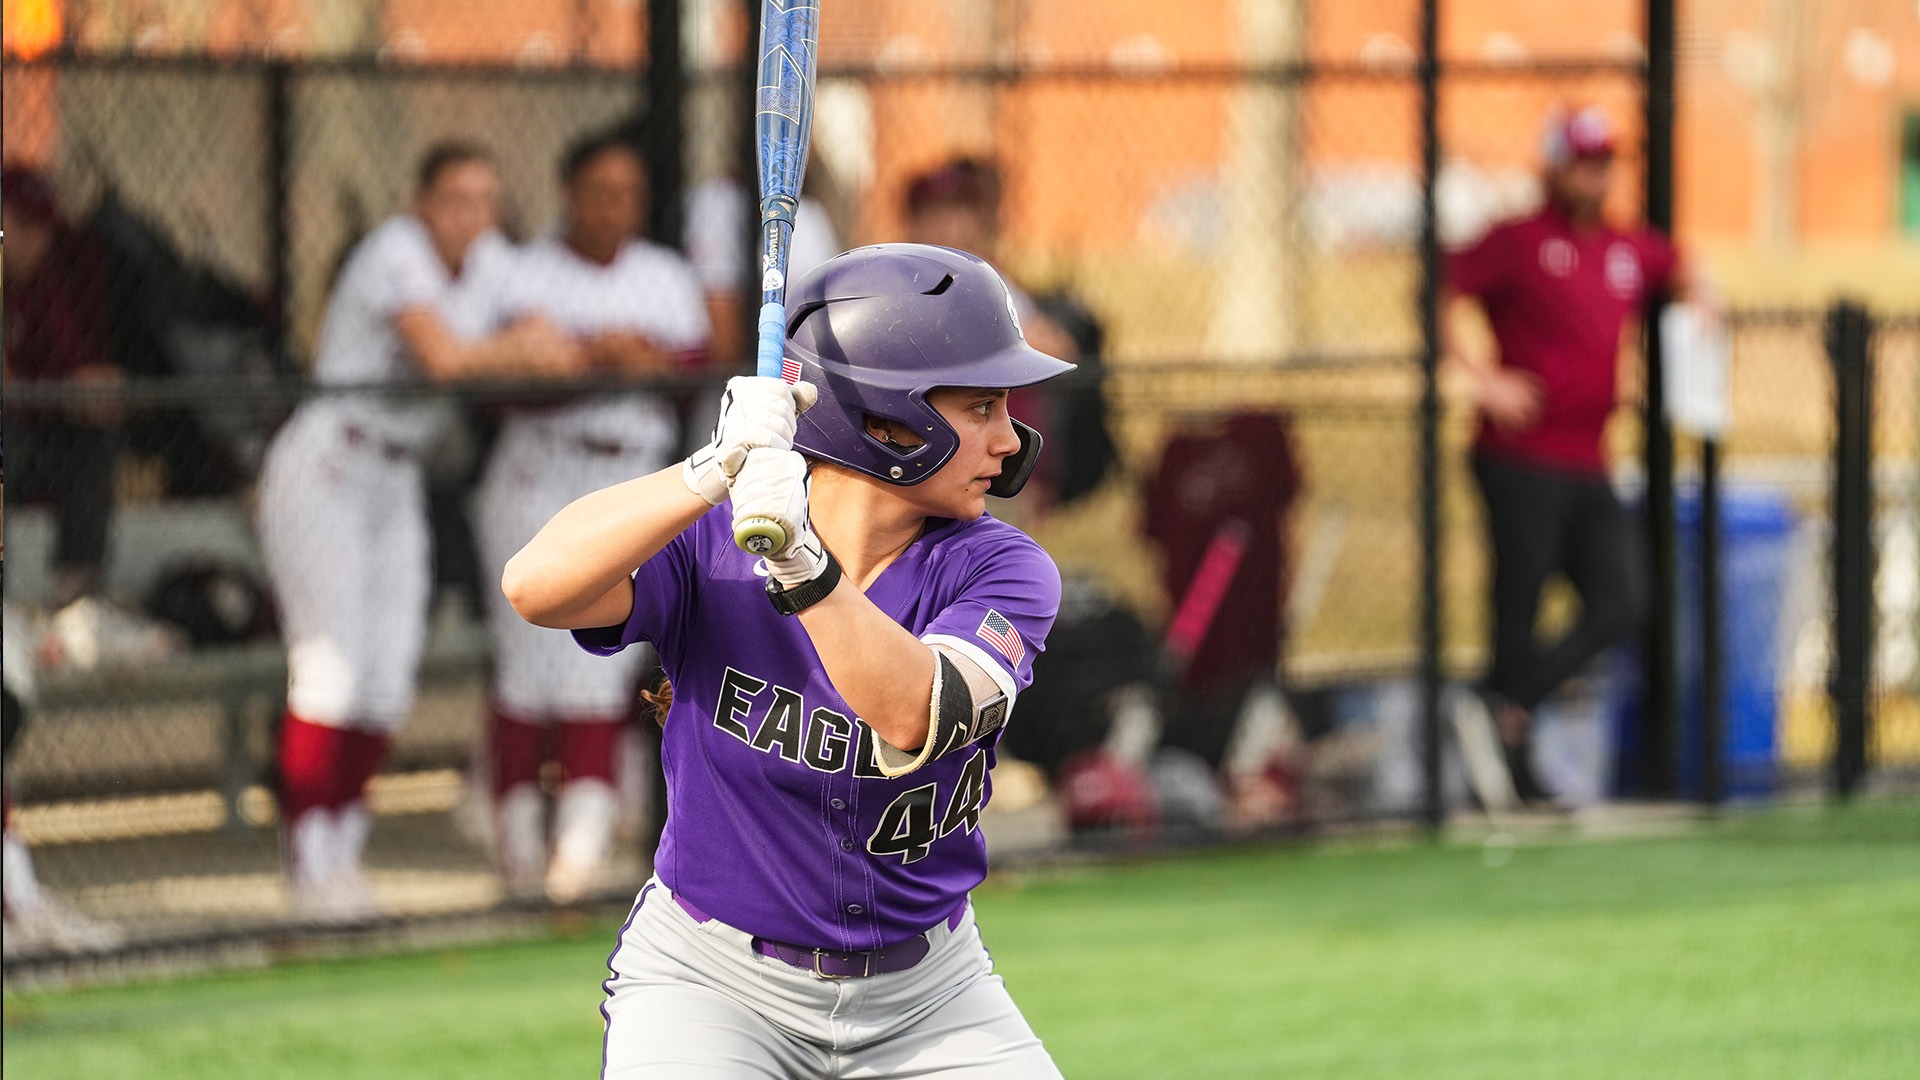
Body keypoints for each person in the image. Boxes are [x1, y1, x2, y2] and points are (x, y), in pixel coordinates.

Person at [504, 244, 1072, 1076]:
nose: (1010, 438)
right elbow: (534, 586)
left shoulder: (1002, 567)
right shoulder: (715, 539)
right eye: (981, 405)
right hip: (710, 980)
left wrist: (804, 565)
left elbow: (919, 710)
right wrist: (711, 471)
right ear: (886, 422)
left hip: (930, 993)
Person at [256, 142, 582, 920]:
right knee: (330, 671)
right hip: (329, 459)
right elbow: (443, 360)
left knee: (387, 677)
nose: (471, 216)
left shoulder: (492, 258)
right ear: (422, 203)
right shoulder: (393, 250)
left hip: (396, 472)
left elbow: (556, 343)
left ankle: (344, 853)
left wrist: (515, 347)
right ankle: (309, 864)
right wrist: (514, 350)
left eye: (484, 199)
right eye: (456, 199)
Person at [1444, 105, 1721, 809]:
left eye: (1604, 162)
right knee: (1519, 606)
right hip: (1519, 457)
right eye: (1583, 161)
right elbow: (1435, 291)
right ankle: (1508, 756)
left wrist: (1703, 296)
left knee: (1622, 601)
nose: (1595, 175)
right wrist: (1482, 380)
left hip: (1589, 459)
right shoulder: (1517, 241)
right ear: (1554, 165)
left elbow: (1683, 262)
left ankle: (1503, 704)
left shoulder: (1625, 249)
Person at [474, 131, 711, 903]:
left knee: (597, 675)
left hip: (626, 476)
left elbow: (695, 370)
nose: (615, 206)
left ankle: (574, 857)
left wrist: (644, 360)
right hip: (538, 468)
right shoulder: (522, 273)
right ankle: (516, 850)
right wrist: (604, 360)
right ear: (568, 193)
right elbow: (500, 390)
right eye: (600, 190)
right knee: (524, 671)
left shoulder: (665, 274)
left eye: (628, 192)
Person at [2, 166, 124, 610]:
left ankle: (76, 597)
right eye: (22, 227)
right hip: (15, 427)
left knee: (90, 443)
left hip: (35, 428)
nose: (38, 240)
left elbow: (86, 379)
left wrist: (87, 390)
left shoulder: (51, 280)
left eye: (41, 228)